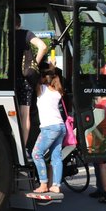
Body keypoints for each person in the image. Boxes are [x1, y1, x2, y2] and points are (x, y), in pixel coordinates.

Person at [31, 68, 66, 196]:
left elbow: (32, 77)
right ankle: (56, 185)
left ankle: (43, 183)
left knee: (36, 153)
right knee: (56, 157)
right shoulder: (57, 92)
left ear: (44, 78)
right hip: (60, 126)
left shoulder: (42, 89)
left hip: (50, 127)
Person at [15, 17, 48, 147]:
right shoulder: (26, 34)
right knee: (25, 115)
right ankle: (22, 147)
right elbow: (43, 46)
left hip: (10, 79)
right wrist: (34, 64)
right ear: (19, 23)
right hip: (25, 80)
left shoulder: (5, 35)